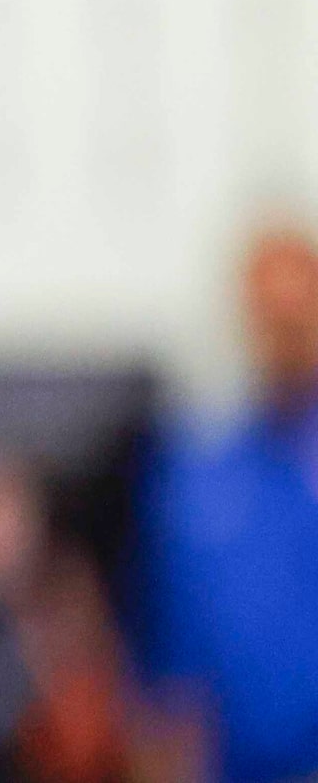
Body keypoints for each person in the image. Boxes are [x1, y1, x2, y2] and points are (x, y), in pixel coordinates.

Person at [144, 219, 318, 783]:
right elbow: (173, 668)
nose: (284, 333)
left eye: (298, 314)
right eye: (269, 315)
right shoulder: (197, 477)